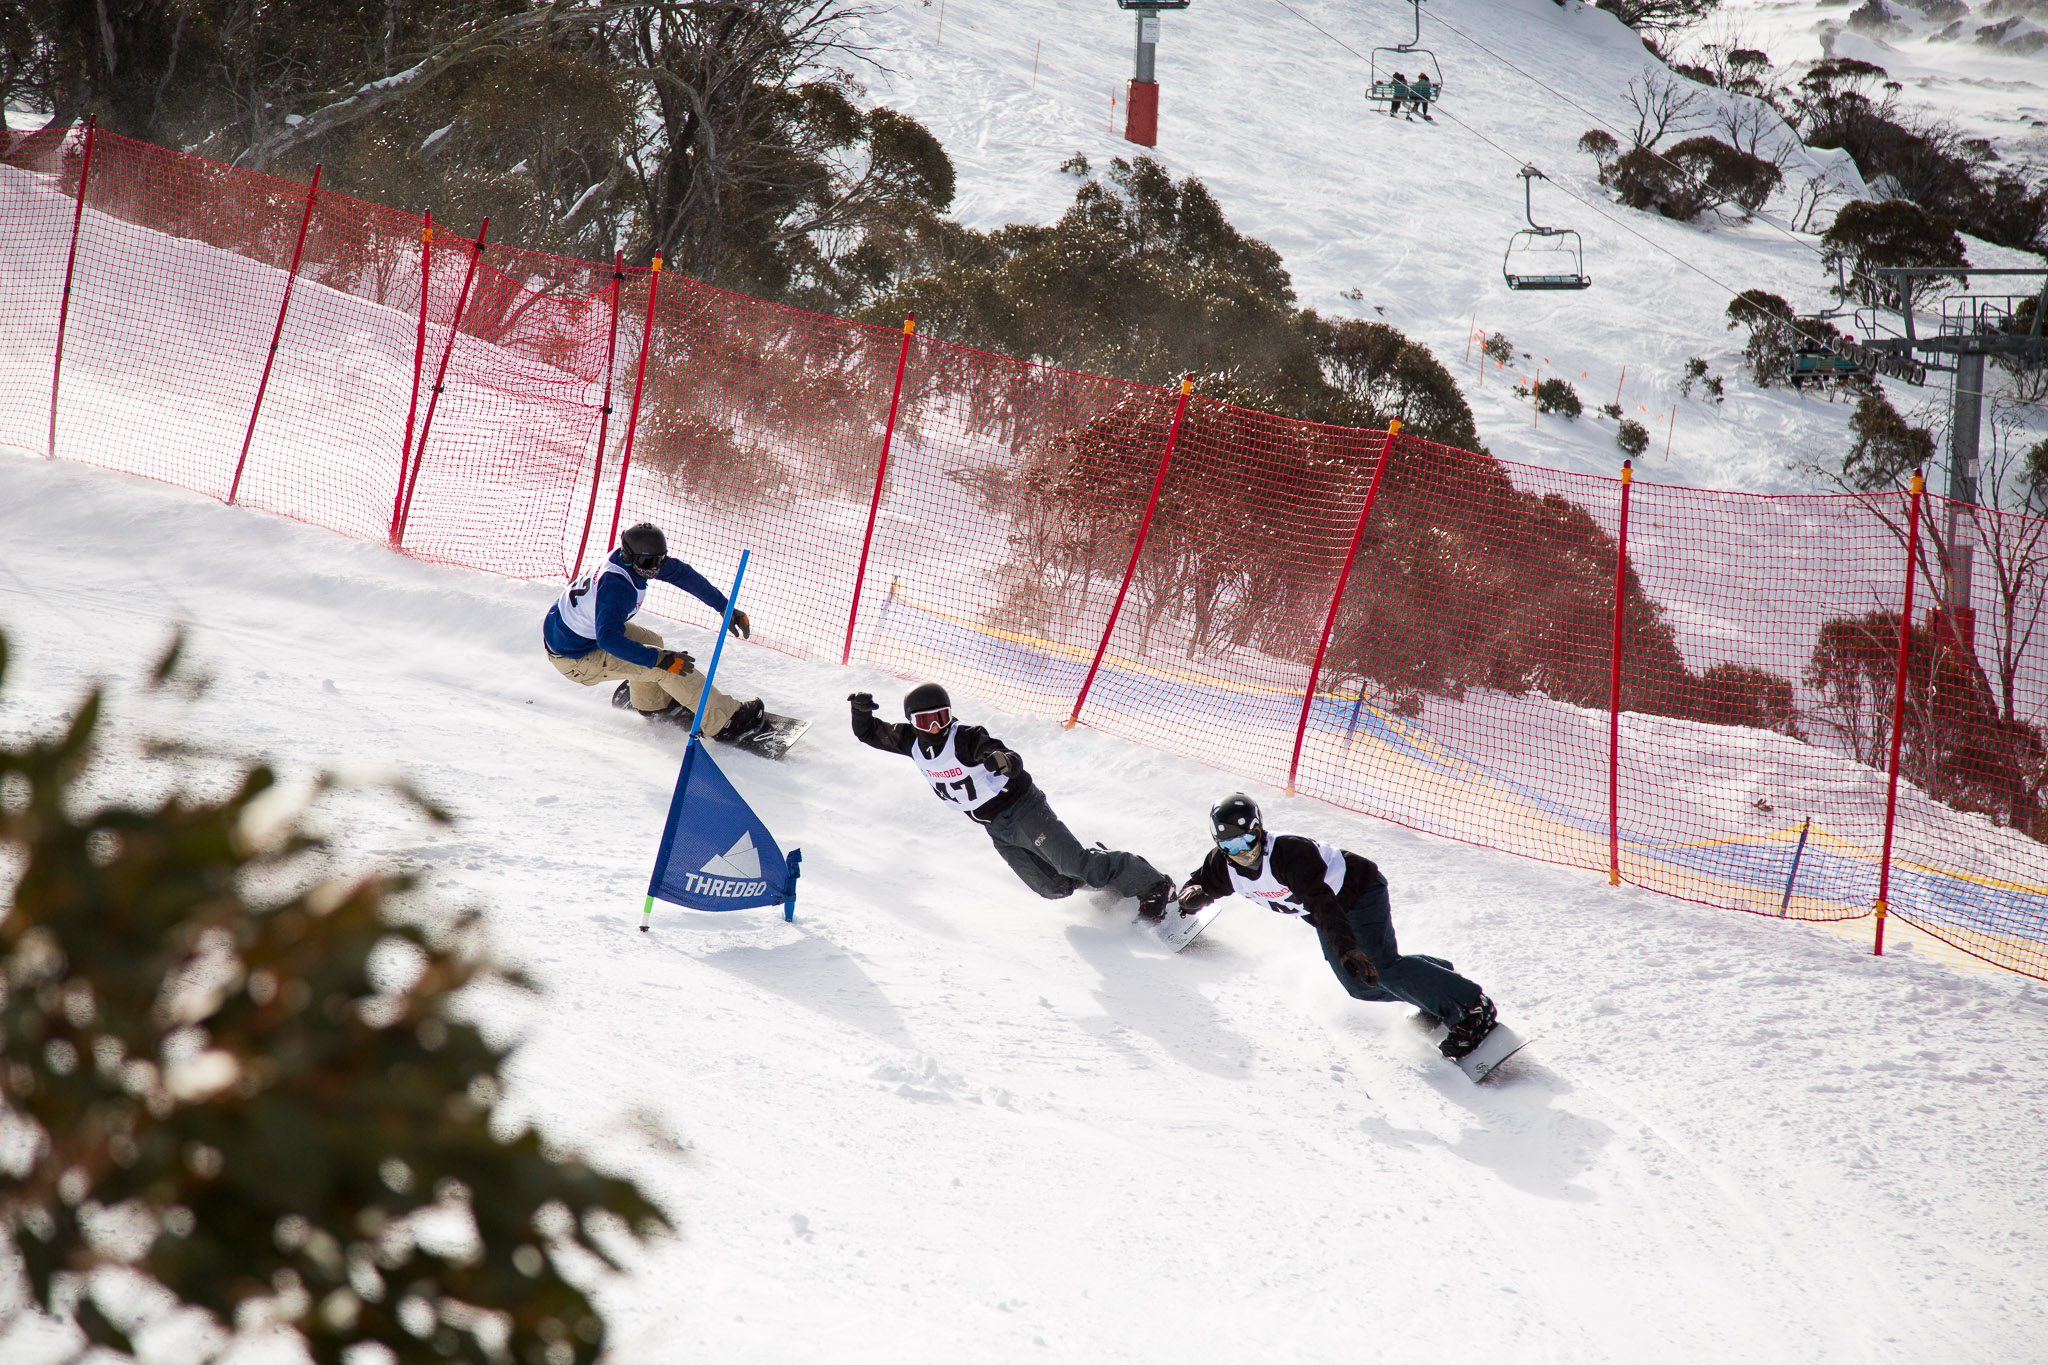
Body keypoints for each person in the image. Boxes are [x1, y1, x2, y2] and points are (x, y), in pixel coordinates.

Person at [1174, 793, 1502, 1060]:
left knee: (1379, 966)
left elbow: (1322, 903)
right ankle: (1434, 983)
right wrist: (1190, 896)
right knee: (1359, 986)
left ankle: (1471, 1006)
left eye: (1247, 840)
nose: (1242, 853)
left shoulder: (1289, 855)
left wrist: (1348, 949)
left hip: (1357, 893)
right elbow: (1202, 883)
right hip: (1327, 916)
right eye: (1230, 846)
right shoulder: (1224, 866)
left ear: (1260, 830)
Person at [850, 683, 1177, 919]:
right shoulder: (909, 741)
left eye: (942, 717)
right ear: (912, 721)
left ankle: (1153, 883)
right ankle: (1103, 873)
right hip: (995, 827)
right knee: (1053, 887)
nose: (936, 727)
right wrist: (860, 712)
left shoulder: (965, 737)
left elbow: (998, 752)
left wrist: (1002, 760)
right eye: (926, 720)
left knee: (1071, 863)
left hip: (1022, 808)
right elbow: (870, 733)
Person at [543, 522, 765, 742]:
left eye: (661, 559)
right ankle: (725, 722)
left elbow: (682, 574)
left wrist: (724, 607)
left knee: (652, 641)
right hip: (576, 658)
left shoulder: (636, 562)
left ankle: (651, 703)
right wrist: (656, 659)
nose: (656, 569)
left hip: (577, 636)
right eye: (650, 562)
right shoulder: (618, 587)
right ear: (629, 556)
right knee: (668, 667)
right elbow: (608, 639)